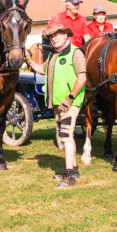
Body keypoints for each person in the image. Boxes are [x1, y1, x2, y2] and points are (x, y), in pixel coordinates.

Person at [25, 22, 87, 189]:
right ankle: (74, 169)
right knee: (68, 136)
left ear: (65, 35)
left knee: (66, 136)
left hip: (70, 103)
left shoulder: (75, 53)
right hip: (58, 103)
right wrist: (28, 60)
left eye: (57, 35)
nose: (53, 39)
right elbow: (42, 70)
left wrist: (70, 97)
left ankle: (69, 176)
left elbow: (82, 77)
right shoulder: (53, 55)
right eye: (51, 37)